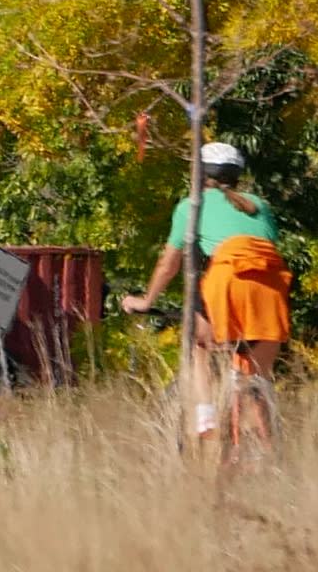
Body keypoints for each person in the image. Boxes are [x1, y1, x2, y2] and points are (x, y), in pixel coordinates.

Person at [119, 140, 292, 458]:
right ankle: (269, 455)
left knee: (200, 348)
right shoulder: (259, 205)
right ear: (237, 175)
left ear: (199, 174)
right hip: (271, 291)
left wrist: (146, 300)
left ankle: (207, 424)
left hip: (226, 285)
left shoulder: (191, 205)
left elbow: (169, 263)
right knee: (255, 379)